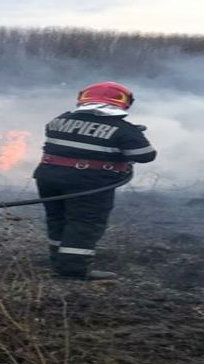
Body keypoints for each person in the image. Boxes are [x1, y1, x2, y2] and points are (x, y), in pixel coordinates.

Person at [33, 81, 156, 281]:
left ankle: (58, 261)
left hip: (48, 177)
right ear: (123, 102)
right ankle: (72, 269)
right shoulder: (123, 129)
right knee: (84, 223)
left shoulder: (60, 119)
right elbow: (145, 156)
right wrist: (135, 134)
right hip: (88, 182)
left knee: (57, 219)